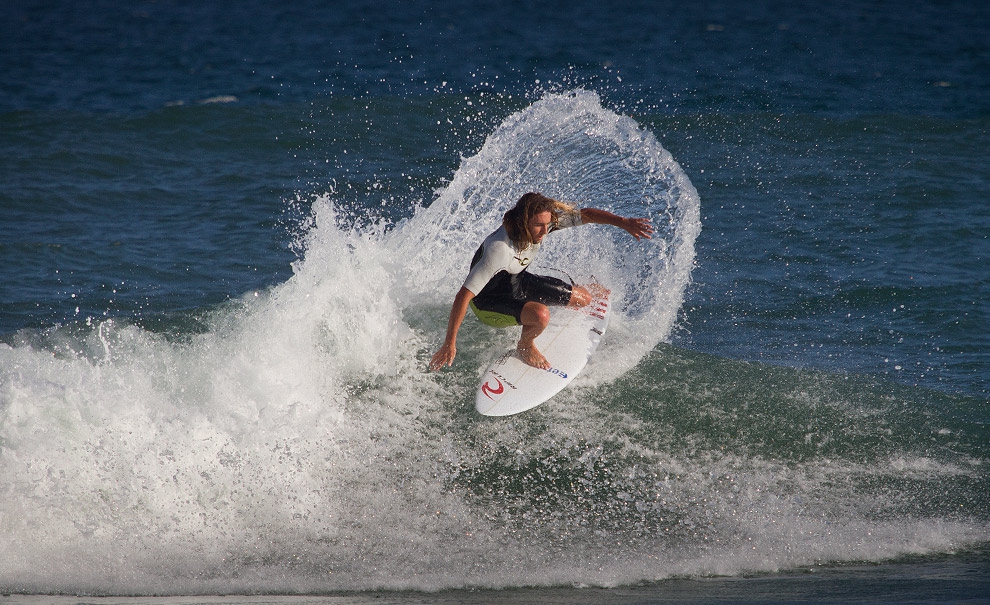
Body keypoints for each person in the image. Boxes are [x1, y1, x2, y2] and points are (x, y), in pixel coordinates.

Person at [429, 192, 653, 371]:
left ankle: (574, 295)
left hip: (518, 281)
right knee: (541, 315)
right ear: (521, 221)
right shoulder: (499, 249)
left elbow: (586, 215)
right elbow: (464, 295)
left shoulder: (542, 225)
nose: (545, 231)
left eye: (548, 224)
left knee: (584, 300)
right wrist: (450, 342)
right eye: (539, 225)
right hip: (488, 303)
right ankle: (525, 345)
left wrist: (623, 222)